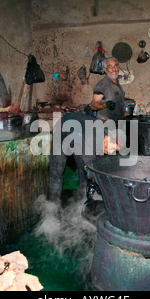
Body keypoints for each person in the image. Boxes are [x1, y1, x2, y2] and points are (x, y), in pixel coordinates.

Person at [48, 57, 125, 202]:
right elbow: (93, 169)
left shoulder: (104, 137)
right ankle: (52, 209)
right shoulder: (95, 137)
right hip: (62, 130)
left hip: (78, 133)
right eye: (109, 149)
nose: (108, 152)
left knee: (85, 172)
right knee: (57, 172)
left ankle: (84, 208)